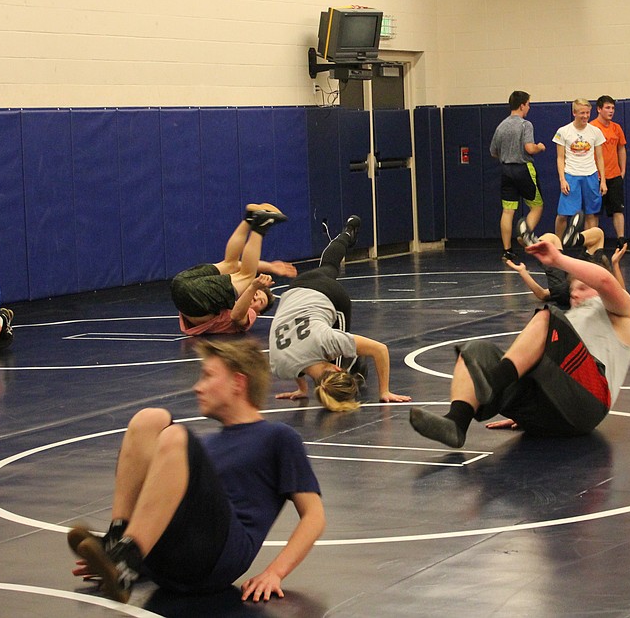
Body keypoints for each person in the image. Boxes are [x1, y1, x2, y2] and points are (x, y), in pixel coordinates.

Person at [68, 338, 325, 604]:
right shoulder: (204, 445)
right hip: (172, 560)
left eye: (207, 376)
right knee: (149, 419)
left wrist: (275, 573)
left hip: (219, 558)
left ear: (238, 383)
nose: (197, 387)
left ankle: (126, 559)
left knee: (174, 436)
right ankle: (119, 547)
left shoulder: (277, 437)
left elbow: (314, 516)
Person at [410, 230, 630, 448]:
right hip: (553, 411)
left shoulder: (620, 314)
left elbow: (604, 281)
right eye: (573, 289)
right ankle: (456, 423)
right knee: (477, 352)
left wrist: (558, 258)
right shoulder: (570, 320)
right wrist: (526, 405)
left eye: (584, 288)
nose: (575, 293)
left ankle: (494, 383)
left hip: (589, 403)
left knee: (547, 317)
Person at [268, 216, 412, 410]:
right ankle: (346, 234)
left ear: (336, 370)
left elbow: (380, 350)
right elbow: (292, 364)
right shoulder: (279, 367)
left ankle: (353, 363)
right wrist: (302, 390)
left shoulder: (326, 340)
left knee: (340, 349)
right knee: (328, 266)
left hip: (331, 296)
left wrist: (384, 391)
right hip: (296, 288)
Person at [170, 204, 296, 335]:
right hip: (188, 291)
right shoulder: (226, 292)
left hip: (182, 286)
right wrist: (270, 267)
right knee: (234, 267)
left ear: (258, 313)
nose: (255, 298)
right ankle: (257, 224)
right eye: (258, 295)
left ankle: (250, 219)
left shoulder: (249, 314)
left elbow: (236, 316)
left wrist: (253, 287)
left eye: (260, 302)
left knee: (237, 269)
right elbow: (241, 266)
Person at [505, 221, 627, 307]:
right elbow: (542, 295)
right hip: (581, 279)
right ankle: (574, 238)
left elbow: (542, 294)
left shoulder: (570, 287)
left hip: (578, 281)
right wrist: (615, 264)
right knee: (598, 233)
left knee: (552, 238)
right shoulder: (604, 289)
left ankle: (537, 244)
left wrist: (523, 272)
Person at [489, 90, 546, 263]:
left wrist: (507, 155)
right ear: (522, 105)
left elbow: (493, 152)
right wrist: (540, 147)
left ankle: (507, 251)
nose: (529, 108)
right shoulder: (525, 125)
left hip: (506, 170)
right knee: (537, 206)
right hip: (523, 168)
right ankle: (525, 235)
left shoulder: (501, 126)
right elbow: (529, 148)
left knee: (508, 210)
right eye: (528, 104)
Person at [553, 98, 607, 236]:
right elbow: (560, 157)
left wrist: (603, 181)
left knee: (591, 214)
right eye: (582, 113)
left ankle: (590, 248)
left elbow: (600, 157)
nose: (585, 116)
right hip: (571, 175)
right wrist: (562, 179)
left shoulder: (596, 132)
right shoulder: (563, 131)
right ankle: (557, 246)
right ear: (574, 113)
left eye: (588, 113)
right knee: (563, 214)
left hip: (591, 176)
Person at [589, 95, 628, 248]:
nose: (611, 111)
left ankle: (621, 241)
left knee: (618, 209)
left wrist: (622, 169)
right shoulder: (591, 127)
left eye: (612, 108)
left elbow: (621, 148)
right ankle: (593, 243)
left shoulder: (616, 128)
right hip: (596, 176)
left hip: (614, 175)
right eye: (607, 108)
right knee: (593, 212)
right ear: (599, 109)